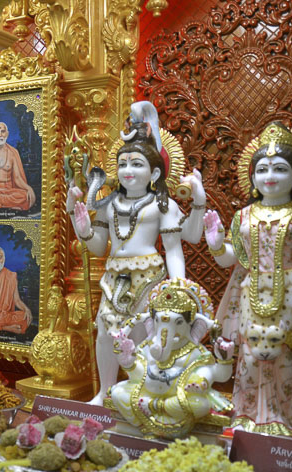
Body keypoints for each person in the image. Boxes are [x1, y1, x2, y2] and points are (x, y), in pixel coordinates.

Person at [66, 101, 206, 405]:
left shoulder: (161, 204)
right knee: (105, 335)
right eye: (123, 164)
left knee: (143, 336)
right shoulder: (109, 204)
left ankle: (139, 392)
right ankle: (105, 391)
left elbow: (178, 246)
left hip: (148, 277)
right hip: (113, 277)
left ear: (154, 172)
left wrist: (177, 285)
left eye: (136, 164)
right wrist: (82, 227)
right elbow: (98, 247)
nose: (128, 171)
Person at [204, 121, 292, 441]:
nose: (269, 176)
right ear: (252, 177)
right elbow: (232, 259)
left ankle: (286, 421)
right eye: (262, 169)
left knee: (285, 357)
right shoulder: (243, 216)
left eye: (279, 169)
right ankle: (247, 415)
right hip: (250, 292)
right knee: (250, 358)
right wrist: (215, 243)